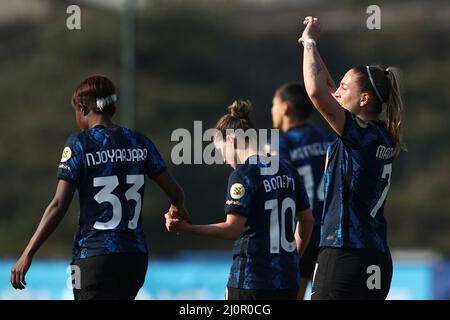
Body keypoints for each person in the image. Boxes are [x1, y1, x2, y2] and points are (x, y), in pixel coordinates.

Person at [10, 75, 189, 300]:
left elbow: (59, 204)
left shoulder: (80, 143)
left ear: (82, 108)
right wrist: (176, 207)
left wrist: (28, 253)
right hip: (134, 258)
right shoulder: (139, 141)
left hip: (93, 256)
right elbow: (177, 193)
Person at [298, 17, 406, 299]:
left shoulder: (357, 133)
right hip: (376, 257)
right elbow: (329, 88)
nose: (337, 91)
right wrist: (313, 47)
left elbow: (316, 92)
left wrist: (310, 43)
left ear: (365, 100)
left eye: (345, 88)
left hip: (343, 252)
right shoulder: (382, 134)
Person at [165, 100, 314, 300]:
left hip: (251, 281)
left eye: (221, 151)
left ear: (233, 140)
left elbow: (232, 229)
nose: (224, 160)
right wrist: (293, 258)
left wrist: (186, 229)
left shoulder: (244, 174)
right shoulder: (286, 168)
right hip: (287, 281)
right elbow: (307, 220)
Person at [271, 82, 334, 299]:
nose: (272, 110)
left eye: (274, 104)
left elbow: (279, 185)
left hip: (299, 230)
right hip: (331, 231)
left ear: (285, 108)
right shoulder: (329, 137)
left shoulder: (282, 142)